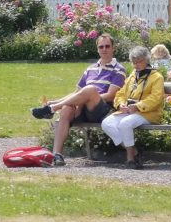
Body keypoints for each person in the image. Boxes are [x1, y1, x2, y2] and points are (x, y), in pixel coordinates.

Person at [30, 33, 126, 167]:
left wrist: (89, 96)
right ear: (97, 49)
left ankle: (51, 109)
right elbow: (76, 94)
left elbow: (111, 95)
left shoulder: (119, 70)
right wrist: (56, 101)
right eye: (101, 47)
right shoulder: (90, 69)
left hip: (102, 110)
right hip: (83, 108)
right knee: (66, 109)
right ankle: (57, 155)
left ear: (113, 48)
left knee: (90, 89)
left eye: (107, 46)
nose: (104, 49)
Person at [101, 45, 165, 169]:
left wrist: (138, 106)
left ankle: (130, 159)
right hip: (129, 111)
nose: (136, 65)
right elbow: (120, 93)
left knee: (125, 124)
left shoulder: (157, 77)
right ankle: (135, 152)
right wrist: (121, 104)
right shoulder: (132, 75)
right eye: (133, 62)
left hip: (148, 113)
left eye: (139, 62)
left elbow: (156, 99)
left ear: (147, 60)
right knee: (106, 123)